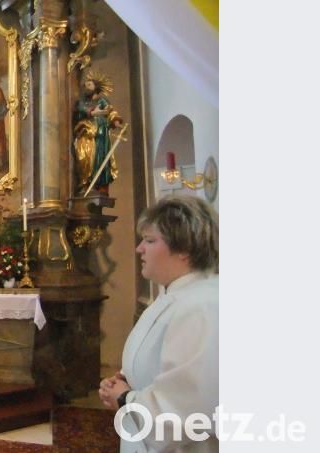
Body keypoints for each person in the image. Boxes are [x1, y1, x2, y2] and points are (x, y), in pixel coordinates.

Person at [99, 196, 219, 452]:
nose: (139, 249)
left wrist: (124, 397)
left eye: (150, 241)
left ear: (184, 249)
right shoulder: (174, 295)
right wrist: (126, 378)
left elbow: (187, 405)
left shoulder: (202, 306)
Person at [73, 71, 124, 194]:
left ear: (96, 87)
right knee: (86, 157)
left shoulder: (102, 101)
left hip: (101, 133)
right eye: (86, 85)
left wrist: (116, 121)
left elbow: (111, 112)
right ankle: (86, 182)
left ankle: (101, 186)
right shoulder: (83, 102)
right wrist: (90, 112)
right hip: (88, 133)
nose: (87, 87)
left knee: (101, 158)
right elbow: (80, 109)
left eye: (89, 85)